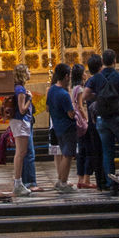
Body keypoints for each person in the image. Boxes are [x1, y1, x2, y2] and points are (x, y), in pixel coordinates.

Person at [84, 49, 119, 186]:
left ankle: (111, 184)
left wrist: (98, 97)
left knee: (107, 152)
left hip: (102, 119)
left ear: (103, 61)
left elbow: (85, 95)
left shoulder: (95, 78)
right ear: (115, 61)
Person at [46, 63, 77, 192]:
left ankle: (60, 180)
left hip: (57, 126)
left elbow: (48, 108)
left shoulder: (52, 89)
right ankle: (63, 182)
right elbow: (70, 114)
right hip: (67, 127)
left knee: (64, 153)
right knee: (68, 155)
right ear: (66, 76)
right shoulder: (63, 94)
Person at [80, 52, 107, 190]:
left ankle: (102, 181)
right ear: (100, 66)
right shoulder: (99, 78)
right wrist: (100, 97)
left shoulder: (92, 80)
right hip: (97, 120)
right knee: (101, 151)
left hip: (95, 120)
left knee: (98, 151)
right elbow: (84, 97)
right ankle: (103, 180)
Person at [9, 63, 35, 197]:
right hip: (20, 122)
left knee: (21, 152)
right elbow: (22, 109)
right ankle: (18, 183)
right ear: (23, 74)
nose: (30, 72)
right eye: (28, 70)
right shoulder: (20, 90)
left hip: (19, 122)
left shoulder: (18, 88)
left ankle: (18, 183)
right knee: (20, 153)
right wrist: (29, 99)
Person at [70, 62, 94, 188]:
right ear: (81, 75)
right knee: (88, 150)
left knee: (81, 151)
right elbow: (80, 106)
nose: (86, 74)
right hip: (82, 123)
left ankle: (80, 179)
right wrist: (87, 120)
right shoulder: (79, 89)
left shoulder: (73, 88)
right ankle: (86, 179)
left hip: (76, 123)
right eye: (84, 72)